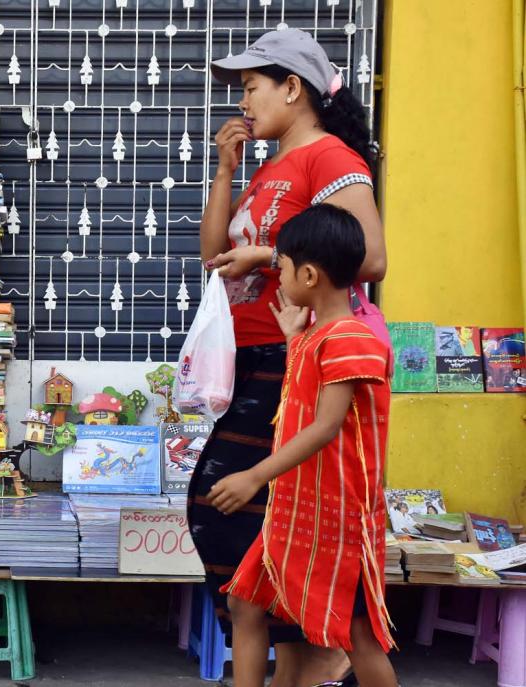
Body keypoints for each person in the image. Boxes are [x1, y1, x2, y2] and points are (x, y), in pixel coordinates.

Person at [186, 27, 386, 687]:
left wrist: (269, 257)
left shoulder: (326, 156)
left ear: (293, 88)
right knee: (243, 513)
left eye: (251, 87)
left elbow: (370, 256)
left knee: (226, 499)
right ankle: (296, 654)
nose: (243, 102)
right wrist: (224, 172)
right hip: (255, 355)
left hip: (292, 354)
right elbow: (215, 256)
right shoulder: (271, 167)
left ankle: (313, 654)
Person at [210, 204, 397, 687]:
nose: (281, 276)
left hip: (339, 521)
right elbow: (305, 398)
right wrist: (295, 340)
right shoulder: (320, 337)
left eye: (284, 267)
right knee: (244, 602)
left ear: (310, 274)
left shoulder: (353, 339)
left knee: (358, 633)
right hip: (297, 512)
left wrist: (255, 475)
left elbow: (326, 426)